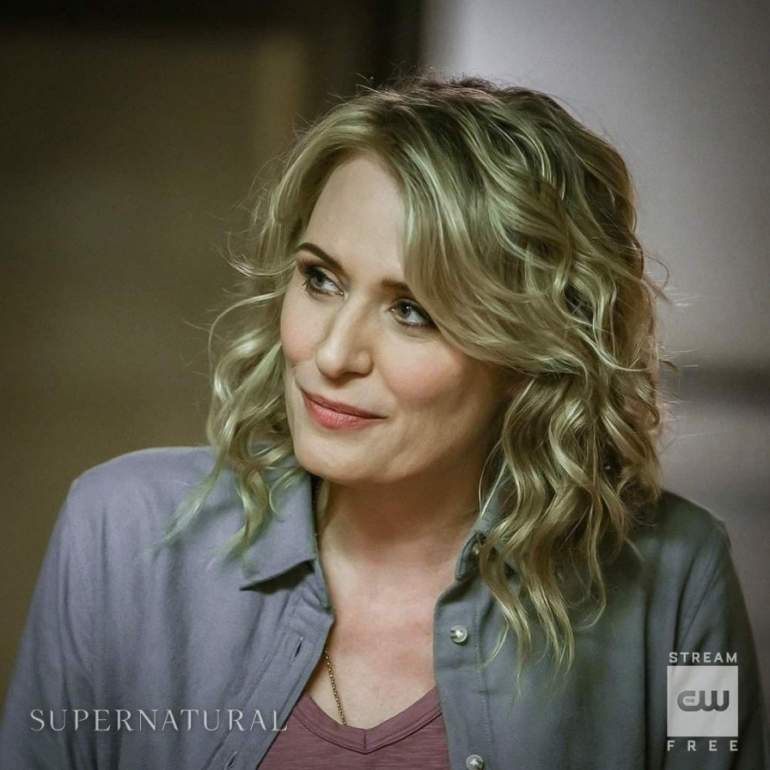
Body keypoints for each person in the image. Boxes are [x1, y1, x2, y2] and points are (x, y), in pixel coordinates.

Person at [1, 74, 767, 770]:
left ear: (530, 350)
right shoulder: (117, 533)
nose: (331, 354)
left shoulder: (683, 578)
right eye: (321, 279)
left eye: (411, 311)